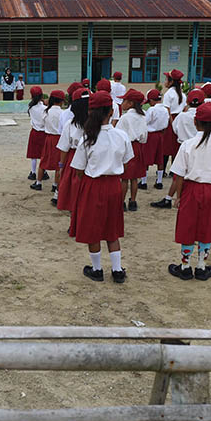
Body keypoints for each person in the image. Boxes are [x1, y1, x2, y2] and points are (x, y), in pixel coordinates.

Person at [70, 90, 132, 284]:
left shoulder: (87, 139)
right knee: (112, 228)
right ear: (112, 111)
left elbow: (79, 169)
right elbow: (127, 162)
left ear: (90, 112)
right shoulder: (121, 135)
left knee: (93, 228)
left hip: (93, 185)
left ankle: (97, 269)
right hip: (114, 185)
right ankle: (117, 270)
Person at [167, 102, 211, 281]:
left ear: (195, 122)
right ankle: (202, 266)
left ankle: (185, 265)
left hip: (191, 189)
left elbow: (179, 175)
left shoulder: (187, 145)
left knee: (187, 226)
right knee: (207, 226)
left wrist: (179, 196)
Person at [151, 89, 205, 209]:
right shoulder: (203, 115)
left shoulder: (182, 116)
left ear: (188, 102)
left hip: (184, 145)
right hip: (202, 146)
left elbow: (175, 129)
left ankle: (170, 198)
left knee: (179, 174)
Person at [55, 87, 88, 212]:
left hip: (73, 160)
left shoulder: (70, 124)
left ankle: (74, 223)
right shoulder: (95, 124)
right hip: (90, 160)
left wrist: (62, 165)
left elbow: (64, 147)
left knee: (73, 192)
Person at [115, 89, 147, 211]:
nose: (122, 103)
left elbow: (118, 134)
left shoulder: (125, 118)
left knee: (124, 178)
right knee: (134, 178)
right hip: (138, 147)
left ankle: (121, 202)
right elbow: (144, 136)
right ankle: (133, 201)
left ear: (131, 103)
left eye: (124, 100)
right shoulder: (143, 116)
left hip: (127, 147)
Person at [31, 90, 64, 193]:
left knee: (44, 160)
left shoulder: (46, 111)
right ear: (62, 101)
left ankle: (39, 183)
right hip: (59, 138)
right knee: (59, 163)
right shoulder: (62, 113)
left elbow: (42, 122)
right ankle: (55, 185)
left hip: (48, 137)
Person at [141, 89, 168, 190]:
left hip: (151, 135)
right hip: (160, 134)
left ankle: (144, 182)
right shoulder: (165, 110)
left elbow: (146, 122)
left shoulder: (152, 110)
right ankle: (159, 181)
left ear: (152, 100)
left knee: (146, 158)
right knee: (159, 158)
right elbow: (166, 124)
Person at [26, 86, 46, 181]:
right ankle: (43, 172)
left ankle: (33, 172)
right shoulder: (45, 108)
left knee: (33, 155)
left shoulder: (31, 108)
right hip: (44, 133)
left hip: (34, 132)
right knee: (43, 154)